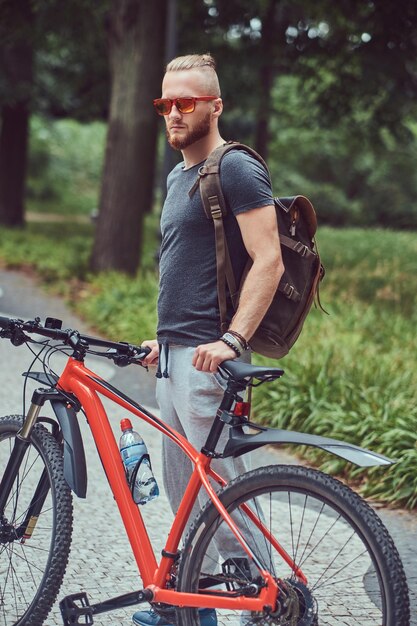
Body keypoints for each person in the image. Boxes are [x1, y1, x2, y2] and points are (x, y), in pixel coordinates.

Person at [132, 53, 283, 626]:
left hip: (209, 358)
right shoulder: (177, 177)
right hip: (175, 355)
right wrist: (162, 338)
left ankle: (264, 601)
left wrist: (233, 338)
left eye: (186, 102)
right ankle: (192, 603)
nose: (174, 113)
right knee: (185, 491)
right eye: (165, 103)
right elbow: (187, 267)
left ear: (214, 106)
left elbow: (267, 259)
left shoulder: (235, 168)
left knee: (221, 491)